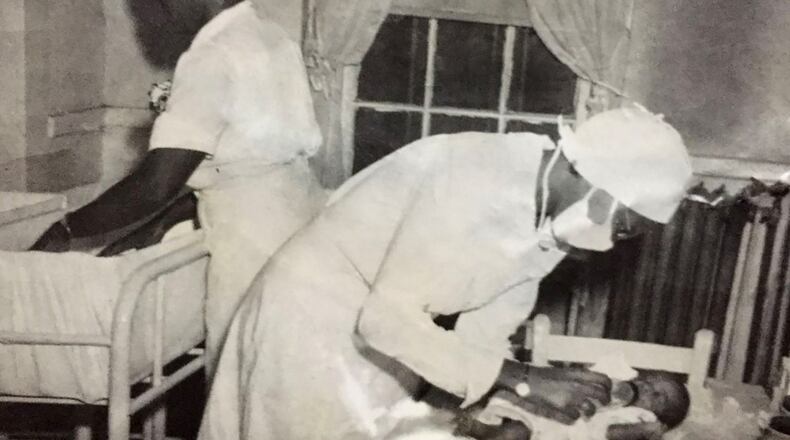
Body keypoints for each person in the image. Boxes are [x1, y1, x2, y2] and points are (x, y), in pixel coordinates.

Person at [198, 105, 694, 439]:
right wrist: (524, 377)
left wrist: (501, 403)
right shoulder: (471, 178)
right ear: (592, 176)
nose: (609, 243)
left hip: (386, 337)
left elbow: (488, 327)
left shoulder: (555, 213)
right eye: (622, 225)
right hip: (309, 325)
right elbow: (383, 321)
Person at [28, 0, 327, 377]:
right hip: (300, 223)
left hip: (250, 243)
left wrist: (67, 229)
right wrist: (152, 228)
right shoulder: (271, 36)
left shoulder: (212, 56)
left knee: (247, 375)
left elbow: (157, 183)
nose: (160, 9)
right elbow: (241, 165)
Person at [460, 372, 691, 440]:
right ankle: (482, 429)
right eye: (647, 381)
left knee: (516, 433)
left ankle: (482, 431)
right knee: (517, 425)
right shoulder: (618, 394)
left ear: (662, 420)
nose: (645, 387)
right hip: (553, 419)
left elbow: (610, 433)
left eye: (657, 395)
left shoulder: (642, 419)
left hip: (567, 434)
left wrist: (645, 431)